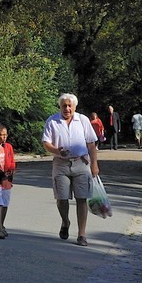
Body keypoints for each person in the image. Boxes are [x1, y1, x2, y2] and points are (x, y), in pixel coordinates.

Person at [41, 92, 100, 246]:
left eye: (69, 106)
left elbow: (91, 143)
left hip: (81, 163)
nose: (67, 108)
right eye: (64, 106)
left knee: (82, 198)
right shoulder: (52, 121)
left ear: (74, 106)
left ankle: (82, 234)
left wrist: (94, 164)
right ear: (60, 107)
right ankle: (65, 221)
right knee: (61, 198)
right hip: (60, 164)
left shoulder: (83, 120)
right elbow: (46, 143)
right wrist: (57, 151)